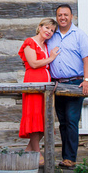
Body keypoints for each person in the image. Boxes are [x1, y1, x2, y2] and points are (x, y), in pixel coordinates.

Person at [47, 4, 88, 168]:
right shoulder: (52, 36)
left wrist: (86, 79)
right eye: (59, 15)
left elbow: (86, 58)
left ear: (71, 16)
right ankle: (65, 157)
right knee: (63, 122)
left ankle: (70, 158)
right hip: (57, 84)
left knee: (72, 120)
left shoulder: (79, 35)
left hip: (75, 83)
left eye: (65, 15)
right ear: (57, 17)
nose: (63, 18)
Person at [18, 18, 60, 164]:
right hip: (34, 83)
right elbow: (34, 64)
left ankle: (27, 153)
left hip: (45, 88)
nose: (49, 31)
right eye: (47, 28)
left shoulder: (46, 45)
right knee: (35, 118)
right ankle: (37, 153)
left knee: (44, 120)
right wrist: (51, 58)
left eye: (52, 30)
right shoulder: (30, 42)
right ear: (40, 27)